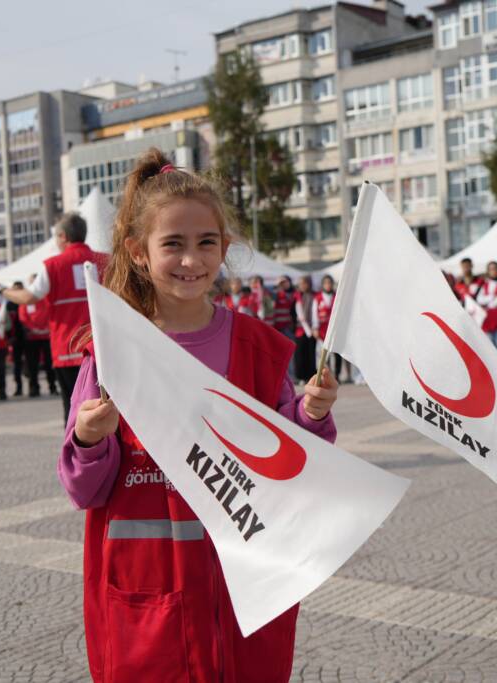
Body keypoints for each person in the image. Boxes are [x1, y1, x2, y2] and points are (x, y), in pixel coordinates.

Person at [60, 148, 338, 682]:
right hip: (146, 588)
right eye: (173, 245)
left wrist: (310, 415)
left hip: (242, 585)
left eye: (206, 242)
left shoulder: (259, 348)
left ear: (225, 248)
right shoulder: (113, 351)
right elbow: (83, 489)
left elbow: (292, 462)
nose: (192, 260)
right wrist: (91, 440)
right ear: (139, 253)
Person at [0, 213, 106, 422]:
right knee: (106, 405)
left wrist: (0, 289)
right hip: (103, 348)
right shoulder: (106, 260)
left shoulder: (53, 265)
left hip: (68, 348)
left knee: (73, 406)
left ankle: (77, 453)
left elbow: (30, 297)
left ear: (62, 236)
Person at [19, 275, 57, 398]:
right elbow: (23, 317)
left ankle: (53, 387)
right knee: (32, 365)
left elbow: (52, 313)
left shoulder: (47, 298)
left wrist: (46, 328)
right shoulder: (26, 300)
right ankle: (34, 388)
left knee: (50, 364)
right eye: (32, 283)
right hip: (32, 338)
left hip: (46, 337)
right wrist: (33, 329)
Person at [314, 274, 344, 382]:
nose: (328, 285)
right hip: (322, 330)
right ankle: (324, 376)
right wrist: (315, 328)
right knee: (323, 355)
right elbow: (314, 314)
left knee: (336, 354)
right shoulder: (318, 298)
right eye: (326, 283)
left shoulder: (337, 296)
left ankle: (337, 375)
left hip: (334, 330)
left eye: (329, 283)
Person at [476, 261, 497, 357]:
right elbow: (479, 299)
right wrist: (491, 297)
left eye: (495, 269)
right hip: (487, 321)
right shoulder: (485, 284)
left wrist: (487, 303)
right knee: (490, 349)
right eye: (491, 269)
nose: (493, 271)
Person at [294, 275, 318, 381]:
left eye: (304, 283)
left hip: (312, 329)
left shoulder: (315, 296)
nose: (302, 286)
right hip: (300, 330)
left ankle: (311, 376)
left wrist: (313, 327)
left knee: (311, 354)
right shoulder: (297, 296)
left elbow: (315, 312)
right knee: (300, 354)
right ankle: (301, 376)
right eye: (300, 284)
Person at [5, 281, 27, 397]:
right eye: (15, 289)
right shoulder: (9, 304)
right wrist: (9, 338)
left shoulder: (28, 302)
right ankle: (19, 388)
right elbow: (6, 323)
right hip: (15, 339)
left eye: (20, 289)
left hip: (28, 337)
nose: (18, 291)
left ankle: (35, 387)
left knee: (31, 363)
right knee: (17, 364)